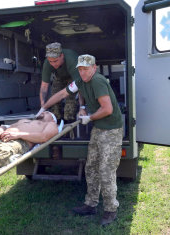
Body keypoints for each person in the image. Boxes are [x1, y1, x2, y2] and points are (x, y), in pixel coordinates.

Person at [37, 54, 123, 226]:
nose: (83, 72)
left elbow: (107, 109)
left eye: (86, 68)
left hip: (111, 130)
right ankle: (91, 204)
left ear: (94, 67)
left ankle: (110, 210)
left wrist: (89, 118)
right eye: (80, 69)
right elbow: (62, 93)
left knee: (106, 171)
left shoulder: (97, 81)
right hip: (98, 128)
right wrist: (44, 107)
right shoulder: (80, 82)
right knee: (91, 167)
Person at [39, 42, 81, 123]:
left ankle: (70, 125)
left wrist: (82, 106)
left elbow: (80, 85)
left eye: (55, 61)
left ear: (62, 55)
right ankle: (56, 124)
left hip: (73, 77)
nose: (53, 64)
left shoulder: (72, 59)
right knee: (54, 101)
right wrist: (43, 106)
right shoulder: (47, 63)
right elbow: (44, 86)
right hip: (59, 77)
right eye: (50, 61)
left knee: (70, 102)